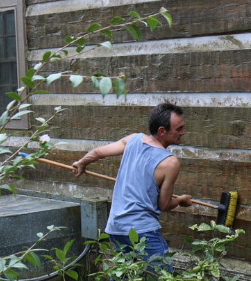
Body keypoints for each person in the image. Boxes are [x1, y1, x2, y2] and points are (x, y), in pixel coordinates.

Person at [71, 102, 193, 266]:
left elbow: (98, 152)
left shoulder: (133, 139)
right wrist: (181, 200)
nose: (183, 133)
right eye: (179, 129)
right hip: (143, 230)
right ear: (162, 131)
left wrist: (81, 162)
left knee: (122, 279)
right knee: (163, 279)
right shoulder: (170, 162)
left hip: (116, 228)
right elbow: (164, 205)